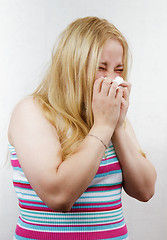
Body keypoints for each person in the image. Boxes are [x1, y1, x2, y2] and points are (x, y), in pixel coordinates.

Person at [8, 16, 157, 240]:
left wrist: (116, 127)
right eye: (101, 68)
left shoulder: (111, 120)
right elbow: (58, 196)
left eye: (118, 70)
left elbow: (145, 191)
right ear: (72, 66)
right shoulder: (32, 111)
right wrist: (104, 126)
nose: (113, 80)